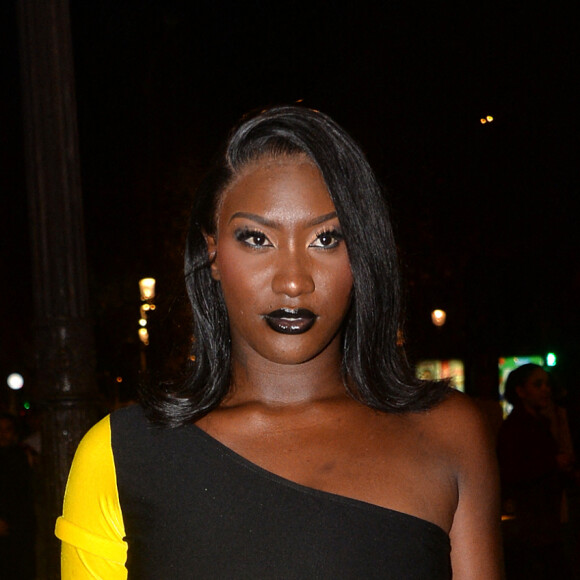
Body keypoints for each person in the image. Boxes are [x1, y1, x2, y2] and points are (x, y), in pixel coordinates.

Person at [56, 105, 503, 578]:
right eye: (256, 239)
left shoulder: (447, 434)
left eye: (327, 239)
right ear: (211, 253)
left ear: (364, 252)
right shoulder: (122, 455)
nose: (294, 281)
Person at [497, 363, 572, 579]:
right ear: (521, 391)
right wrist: (553, 463)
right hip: (532, 527)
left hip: (544, 524)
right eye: (537, 385)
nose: (545, 390)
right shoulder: (515, 429)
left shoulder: (541, 423)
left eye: (547, 384)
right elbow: (513, 471)